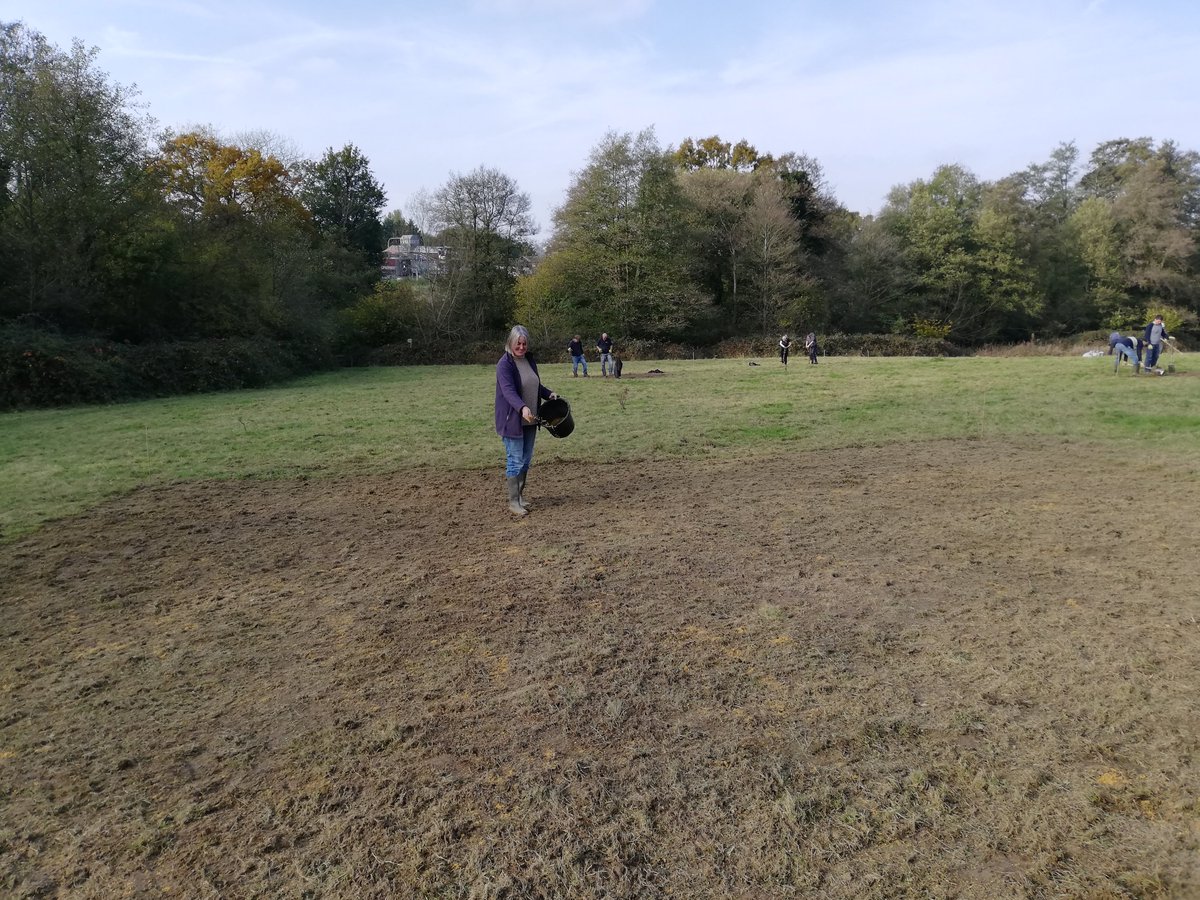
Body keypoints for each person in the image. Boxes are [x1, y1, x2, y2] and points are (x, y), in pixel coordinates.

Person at [496, 325, 556, 516]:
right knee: (514, 460)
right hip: (512, 419)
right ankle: (513, 502)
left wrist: (549, 394)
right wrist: (522, 408)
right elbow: (508, 391)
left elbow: (534, 383)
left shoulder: (529, 360)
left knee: (526, 460)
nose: (521, 347)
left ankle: (520, 496)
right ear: (510, 343)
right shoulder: (504, 364)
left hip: (531, 419)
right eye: (517, 343)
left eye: (524, 343)